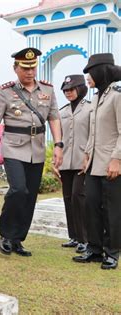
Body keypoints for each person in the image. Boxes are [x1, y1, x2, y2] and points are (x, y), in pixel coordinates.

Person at [0, 47, 63, 257]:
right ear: (16, 69)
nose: (29, 72)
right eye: (25, 68)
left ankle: (17, 240)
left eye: (32, 67)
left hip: (38, 149)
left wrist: (59, 145)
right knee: (18, 190)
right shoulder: (5, 91)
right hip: (13, 147)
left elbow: (54, 118)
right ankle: (6, 234)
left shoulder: (47, 90)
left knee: (30, 196)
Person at [73, 53, 121, 270]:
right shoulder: (96, 96)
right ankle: (94, 248)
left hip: (112, 162)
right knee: (91, 204)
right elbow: (94, 131)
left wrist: (117, 159)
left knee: (112, 209)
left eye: (90, 73)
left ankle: (111, 252)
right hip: (94, 162)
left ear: (101, 71)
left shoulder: (117, 95)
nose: (87, 78)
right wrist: (86, 156)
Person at [53, 75, 90, 254]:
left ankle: (85, 238)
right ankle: (74, 236)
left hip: (84, 161)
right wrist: (55, 161)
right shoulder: (62, 112)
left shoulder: (90, 109)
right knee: (68, 198)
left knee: (78, 197)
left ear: (81, 88)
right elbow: (58, 138)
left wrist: (90, 156)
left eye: (71, 89)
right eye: (65, 90)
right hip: (66, 162)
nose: (68, 93)